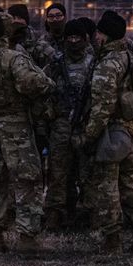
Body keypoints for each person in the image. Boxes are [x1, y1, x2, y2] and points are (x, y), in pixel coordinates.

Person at [0, 8, 55, 252]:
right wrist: (49, 82)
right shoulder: (11, 57)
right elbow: (32, 83)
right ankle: (27, 237)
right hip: (15, 126)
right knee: (27, 180)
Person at [79, 10, 133, 255]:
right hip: (130, 130)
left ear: (106, 35)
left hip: (111, 133)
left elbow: (102, 107)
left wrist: (88, 136)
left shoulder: (108, 64)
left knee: (107, 186)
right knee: (131, 184)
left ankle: (113, 239)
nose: (95, 37)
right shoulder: (131, 57)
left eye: (99, 32)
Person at [43, 19, 96, 231]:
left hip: (85, 124)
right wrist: (50, 112)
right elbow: (43, 88)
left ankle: (91, 212)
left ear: (85, 40)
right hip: (62, 123)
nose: (73, 42)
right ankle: (56, 212)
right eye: (70, 38)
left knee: (88, 172)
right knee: (58, 171)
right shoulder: (56, 64)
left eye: (78, 38)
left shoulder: (93, 63)